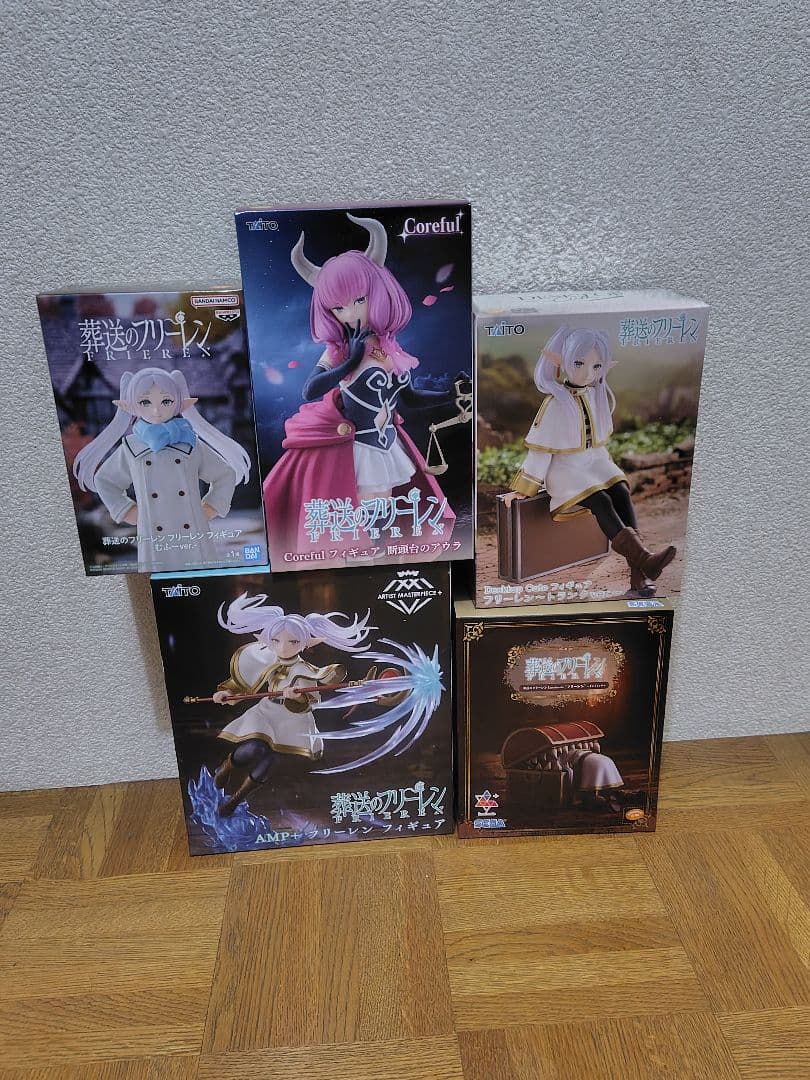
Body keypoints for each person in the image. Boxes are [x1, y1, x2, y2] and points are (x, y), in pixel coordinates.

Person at [263, 213, 462, 559]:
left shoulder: (392, 348)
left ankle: (374, 556)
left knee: (383, 503)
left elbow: (409, 398)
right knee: (366, 504)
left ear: (379, 293)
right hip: (357, 445)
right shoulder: (337, 350)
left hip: (386, 442)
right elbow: (310, 390)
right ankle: (362, 555)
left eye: (359, 300)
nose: (350, 313)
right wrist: (350, 360)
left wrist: (449, 395)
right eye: (338, 307)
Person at [502, 325, 675, 596]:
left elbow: (597, 443)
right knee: (600, 500)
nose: (586, 373)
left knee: (621, 491)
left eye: (596, 367)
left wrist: (607, 469)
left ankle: (640, 571)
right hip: (566, 470)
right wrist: (523, 489)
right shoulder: (555, 403)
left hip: (594, 462)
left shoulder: (596, 396)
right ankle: (644, 563)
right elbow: (540, 451)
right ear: (563, 362)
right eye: (578, 363)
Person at [73, 367, 250, 572]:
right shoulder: (131, 447)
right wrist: (127, 510)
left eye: (166, 401)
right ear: (131, 405)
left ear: (179, 402)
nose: (156, 410)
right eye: (145, 402)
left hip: (192, 531)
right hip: (155, 533)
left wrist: (211, 507)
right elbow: (105, 480)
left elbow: (224, 474)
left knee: (202, 576)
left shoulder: (190, 443)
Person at [211, 593, 372, 815]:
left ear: (305, 643)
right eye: (276, 641)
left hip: (292, 720)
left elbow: (310, 703)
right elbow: (245, 681)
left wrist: (296, 697)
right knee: (254, 748)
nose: (283, 647)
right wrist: (227, 693)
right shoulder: (266, 658)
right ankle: (227, 766)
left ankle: (237, 798)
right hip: (267, 711)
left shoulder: (305, 670)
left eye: (293, 642)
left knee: (272, 759)